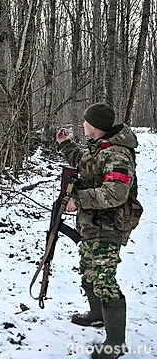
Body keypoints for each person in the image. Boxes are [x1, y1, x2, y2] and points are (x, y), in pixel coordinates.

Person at [56, 103, 142, 359]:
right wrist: (65, 145)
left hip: (109, 225)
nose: (82, 124)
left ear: (95, 126)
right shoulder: (101, 147)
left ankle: (116, 344)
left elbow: (115, 194)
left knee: (104, 280)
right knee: (89, 271)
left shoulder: (117, 154)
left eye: (85, 121)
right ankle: (97, 315)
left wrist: (78, 200)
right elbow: (86, 164)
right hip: (93, 223)